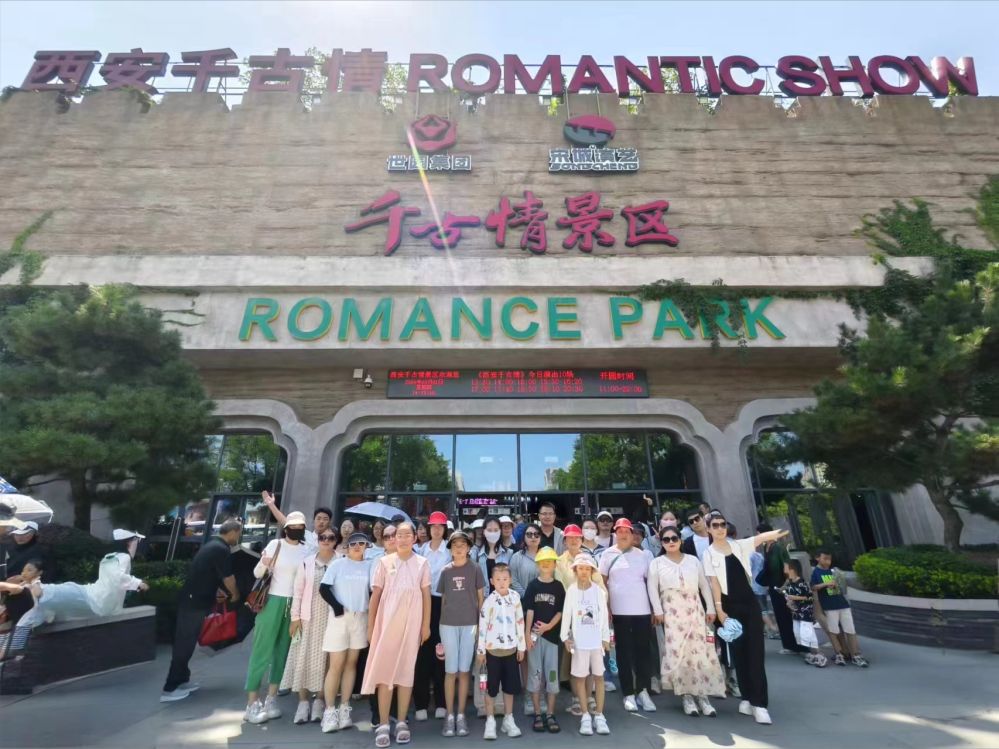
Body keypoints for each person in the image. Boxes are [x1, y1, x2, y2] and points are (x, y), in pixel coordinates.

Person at [704, 512, 789, 725]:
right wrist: (719, 610)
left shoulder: (739, 545)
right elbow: (714, 583)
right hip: (728, 606)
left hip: (749, 603)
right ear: (709, 529)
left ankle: (759, 703)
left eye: (722, 524)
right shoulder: (708, 553)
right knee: (738, 653)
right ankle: (747, 697)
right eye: (715, 525)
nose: (720, 528)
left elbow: (761, 538)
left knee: (755, 651)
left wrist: (780, 531)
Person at [363, 521, 431, 748]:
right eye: (398, 535)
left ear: (414, 538)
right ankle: (383, 724)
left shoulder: (422, 563)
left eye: (406, 535)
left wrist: (425, 625)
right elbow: (375, 596)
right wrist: (371, 627)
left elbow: (426, 596)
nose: (401, 539)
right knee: (384, 674)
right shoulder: (384, 562)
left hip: (412, 625)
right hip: (386, 626)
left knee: (405, 673)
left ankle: (401, 721)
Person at [161, 519, 242, 703]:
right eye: (238, 533)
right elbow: (228, 578)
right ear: (233, 532)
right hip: (193, 603)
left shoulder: (212, 545)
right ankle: (170, 688)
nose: (238, 537)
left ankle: (182, 680)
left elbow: (208, 574)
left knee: (187, 643)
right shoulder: (221, 549)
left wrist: (217, 591)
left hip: (193, 600)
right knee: (184, 644)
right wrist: (235, 596)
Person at [647, 524, 724, 717]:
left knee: (699, 651)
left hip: (694, 610)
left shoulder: (693, 561)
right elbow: (652, 588)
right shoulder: (657, 563)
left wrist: (711, 607)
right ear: (661, 543)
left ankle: (703, 696)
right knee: (678, 653)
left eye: (674, 538)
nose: (671, 542)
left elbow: (704, 585)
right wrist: (657, 610)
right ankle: (686, 696)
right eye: (666, 539)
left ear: (680, 540)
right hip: (672, 612)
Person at [244, 512, 311, 724]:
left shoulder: (307, 549)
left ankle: (271, 699)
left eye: (300, 526)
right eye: (293, 525)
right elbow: (257, 573)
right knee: (261, 651)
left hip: (294, 604)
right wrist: (264, 563)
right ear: (286, 527)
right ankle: (252, 702)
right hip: (272, 600)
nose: (296, 529)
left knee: (283, 652)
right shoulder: (275, 544)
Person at [15, 529, 148, 629]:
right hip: (95, 598)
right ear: (129, 542)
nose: (137, 544)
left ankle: (33, 603)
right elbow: (116, 576)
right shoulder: (123, 557)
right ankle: (33, 595)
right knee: (59, 593)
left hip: (94, 596)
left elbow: (114, 577)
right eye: (137, 541)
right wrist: (138, 583)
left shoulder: (110, 556)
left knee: (61, 593)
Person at [598, 518, 656, 713]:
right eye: (619, 531)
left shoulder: (644, 555)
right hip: (619, 612)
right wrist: (606, 608)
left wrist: (654, 609)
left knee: (643, 652)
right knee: (623, 652)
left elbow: (651, 584)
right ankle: (628, 693)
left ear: (633, 534)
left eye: (627, 531)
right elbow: (602, 583)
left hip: (642, 611)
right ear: (615, 533)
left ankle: (643, 690)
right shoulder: (607, 554)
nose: (623, 534)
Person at [319, 531, 373, 733]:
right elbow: (324, 588)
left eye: (361, 543)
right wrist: (337, 607)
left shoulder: (370, 566)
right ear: (347, 546)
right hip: (340, 618)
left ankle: (344, 708)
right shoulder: (338, 564)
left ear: (367, 546)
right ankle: (329, 710)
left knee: (351, 664)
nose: (357, 546)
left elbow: (372, 591)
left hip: (360, 617)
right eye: (353, 543)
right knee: (336, 665)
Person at [283, 526, 338, 724]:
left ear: (336, 541)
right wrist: (295, 617)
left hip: (332, 619)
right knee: (303, 657)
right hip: (308, 617)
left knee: (327, 660)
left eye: (331, 537)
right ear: (318, 540)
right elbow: (297, 591)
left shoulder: (341, 561)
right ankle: (303, 702)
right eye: (322, 537)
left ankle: (320, 701)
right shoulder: (307, 563)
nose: (326, 540)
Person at [437, 530, 485, 738]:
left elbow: (481, 598)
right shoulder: (445, 571)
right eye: (455, 544)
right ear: (450, 549)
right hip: (448, 624)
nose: (458, 548)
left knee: (464, 671)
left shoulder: (475, 569)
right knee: (450, 671)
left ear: (468, 548)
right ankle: (449, 715)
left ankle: (461, 715)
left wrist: (481, 625)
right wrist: (440, 628)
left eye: (463, 544)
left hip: (470, 624)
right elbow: (443, 600)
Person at [560, 554, 611, 736]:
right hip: (579, 642)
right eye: (580, 568)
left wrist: (605, 638)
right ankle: (585, 715)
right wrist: (565, 637)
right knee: (580, 678)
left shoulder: (598, 591)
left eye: (587, 568)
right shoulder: (572, 591)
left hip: (596, 642)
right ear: (575, 570)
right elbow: (567, 614)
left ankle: (599, 715)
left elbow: (603, 616)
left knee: (599, 677)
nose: (583, 571)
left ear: (592, 571)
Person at [477, 563, 526, 740]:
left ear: (510, 580)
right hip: (492, 652)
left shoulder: (515, 598)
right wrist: (481, 650)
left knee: (509, 687)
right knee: (491, 688)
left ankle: (508, 719)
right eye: (498, 579)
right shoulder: (489, 601)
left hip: (511, 651)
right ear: (492, 581)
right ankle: (490, 720)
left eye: (505, 579)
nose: (502, 582)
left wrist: (521, 647)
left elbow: (520, 622)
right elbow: (482, 626)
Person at [414, 511, 451, 721]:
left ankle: (441, 702)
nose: (436, 530)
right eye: (433, 526)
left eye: (440, 526)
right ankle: (420, 703)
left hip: (444, 604)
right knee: (422, 653)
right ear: (428, 528)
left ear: (445, 529)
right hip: (422, 602)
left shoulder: (450, 551)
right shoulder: (420, 551)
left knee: (441, 652)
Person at [523, 547, 564, 734]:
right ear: (537, 565)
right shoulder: (533, 586)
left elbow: (560, 612)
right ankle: (538, 713)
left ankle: (550, 713)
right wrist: (527, 634)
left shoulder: (558, 587)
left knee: (552, 675)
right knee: (535, 675)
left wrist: (548, 626)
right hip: (535, 638)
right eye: (543, 562)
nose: (546, 564)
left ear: (555, 564)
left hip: (552, 639)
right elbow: (529, 611)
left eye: (550, 561)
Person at [756, 523, 809, 655]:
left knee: (789, 616)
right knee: (781, 616)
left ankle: (800, 646)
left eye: (759, 533)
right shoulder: (766, 548)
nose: (758, 536)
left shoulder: (778, 548)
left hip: (783, 586)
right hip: (773, 587)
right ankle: (789, 645)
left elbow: (787, 569)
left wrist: (784, 585)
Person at [811, 550, 868, 667]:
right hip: (829, 606)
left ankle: (855, 655)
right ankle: (839, 654)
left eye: (829, 559)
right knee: (833, 630)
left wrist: (839, 582)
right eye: (825, 558)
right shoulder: (816, 572)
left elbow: (843, 587)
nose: (828, 561)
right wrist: (826, 584)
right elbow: (813, 587)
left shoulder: (833, 571)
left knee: (850, 629)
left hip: (842, 603)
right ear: (817, 558)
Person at [781, 559, 827, 668]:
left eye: (785, 566)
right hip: (796, 613)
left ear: (792, 568)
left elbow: (809, 597)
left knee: (808, 633)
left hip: (805, 613)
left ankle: (819, 655)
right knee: (800, 634)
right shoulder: (790, 582)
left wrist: (794, 597)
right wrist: (789, 602)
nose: (784, 568)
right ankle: (813, 654)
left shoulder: (802, 583)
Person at [261, 491, 332, 553]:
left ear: (330, 522)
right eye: (318, 518)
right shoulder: (305, 534)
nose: (321, 521)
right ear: (314, 520)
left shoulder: (332, 540)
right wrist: (271, 505)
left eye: (325, 519)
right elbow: (285, 522)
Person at [473, 518, 514, 595]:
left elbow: (511, 579)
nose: (493, 533)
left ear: (500, 531)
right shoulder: (476, 554)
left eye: (496, 530)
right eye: (489, 530)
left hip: (503, 597)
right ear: (484, 532)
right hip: (484, 597)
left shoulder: (509, 553)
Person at [749, 543, 780, 640]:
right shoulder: (760, 555)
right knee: (763, 608)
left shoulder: (749, 556)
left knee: (762, 610)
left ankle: (773, 628)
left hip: (754, 585)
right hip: (762, 585)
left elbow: (748, 571)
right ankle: (768, 631)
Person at [509, 523, 542, 597]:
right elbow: (513, 581)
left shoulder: (546, 556)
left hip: (543, 600)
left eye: (536, 534)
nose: (533, 537)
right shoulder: (516, 557)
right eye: (529, 534)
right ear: (524, 537)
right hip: (521, 599)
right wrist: (526, 595)